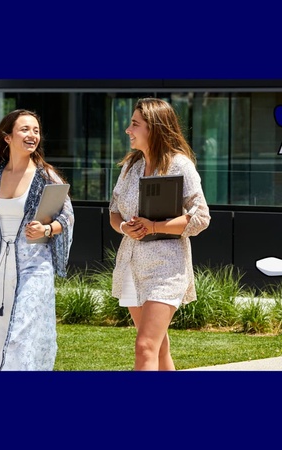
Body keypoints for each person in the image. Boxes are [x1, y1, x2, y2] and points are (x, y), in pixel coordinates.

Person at [0, 109, 74, 371]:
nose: (32, 135)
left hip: (34, 267)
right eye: (25, 129)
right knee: (2, 338)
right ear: (7, 137)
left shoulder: (45, 175)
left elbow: (67, 218)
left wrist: (46, 230)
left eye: (36, 130)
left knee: (21, 338)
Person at [109, 98, 211, 371]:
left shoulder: (180, 165)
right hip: (131, 265)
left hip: (166, 267)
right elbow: (113, 212)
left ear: (153, 128)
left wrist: (154, 227)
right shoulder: (130, 167)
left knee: (145, 347)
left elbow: (201, 217)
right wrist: (124, 227)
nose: (128, 130)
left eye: (134, 124)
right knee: (159, 348)